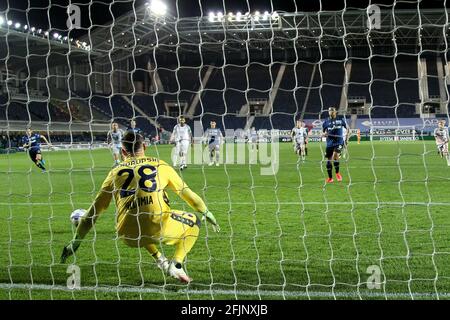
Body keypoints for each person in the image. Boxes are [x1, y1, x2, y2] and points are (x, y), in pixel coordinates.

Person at [60, 131, 220, 283]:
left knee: (136, 216)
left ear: (123, 151)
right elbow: (188, 195)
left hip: (127, 234)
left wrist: (76, 242)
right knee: (194, 222)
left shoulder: (114, 172)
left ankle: (160, 260)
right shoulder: (160, 165)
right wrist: (207, 211)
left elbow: (93, 214)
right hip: (157, 227)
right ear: (144, 147)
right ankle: (176, 264)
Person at [322, 107, 348, 183]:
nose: (331, 112)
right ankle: (330, 178)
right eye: (329, 110)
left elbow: (347, 129)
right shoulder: (326, 122)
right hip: (329, 143)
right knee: (328, 161)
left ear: (335, 112)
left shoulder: (341, 120)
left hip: (339, 142)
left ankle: (337, 173)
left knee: (335, 155)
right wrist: (324, 134)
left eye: (332, 111)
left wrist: (346, 139)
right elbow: (323, 132)